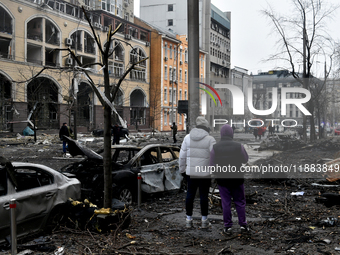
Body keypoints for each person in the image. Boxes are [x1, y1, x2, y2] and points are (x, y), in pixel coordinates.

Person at [209, 124, 249, 235]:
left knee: (226, 203)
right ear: (232, 133)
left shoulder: (215, 148)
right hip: (237, 178)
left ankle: (228, 226)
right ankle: (243, 225)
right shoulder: (238, 146)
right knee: (240, 202)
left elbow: (211, 165)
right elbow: (245, 160)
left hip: (222, 180)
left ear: (221, 134)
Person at [179, 116, 216, 229]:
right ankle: (204, 220)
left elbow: (182, 156)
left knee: (190, 195)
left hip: (191, 173)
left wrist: (182, 171)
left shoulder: (187, 138)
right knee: (204, 196)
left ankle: (188, 220)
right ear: (206, 128)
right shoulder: (210, 139)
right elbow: (215, 157)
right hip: (205, 174)